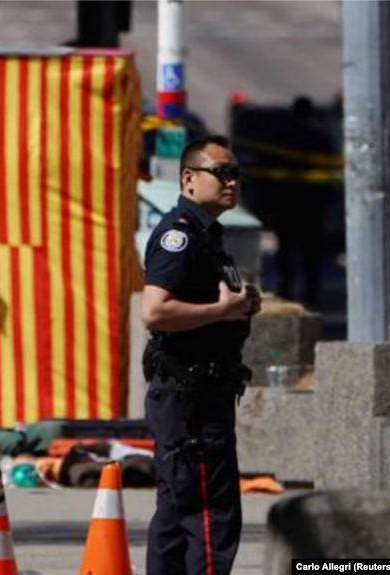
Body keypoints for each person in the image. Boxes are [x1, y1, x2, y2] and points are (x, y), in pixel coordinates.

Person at [141, 135, 262, 575]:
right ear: (189, 179)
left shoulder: (208, 237)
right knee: (211, 518)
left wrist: (241, 307)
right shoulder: (180, 236)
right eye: (222, 173)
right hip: (192, 400)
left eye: (236, 175)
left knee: (177, 516)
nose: (232, 183)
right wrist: (222, 310)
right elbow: (154, 312)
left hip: (197, 394)